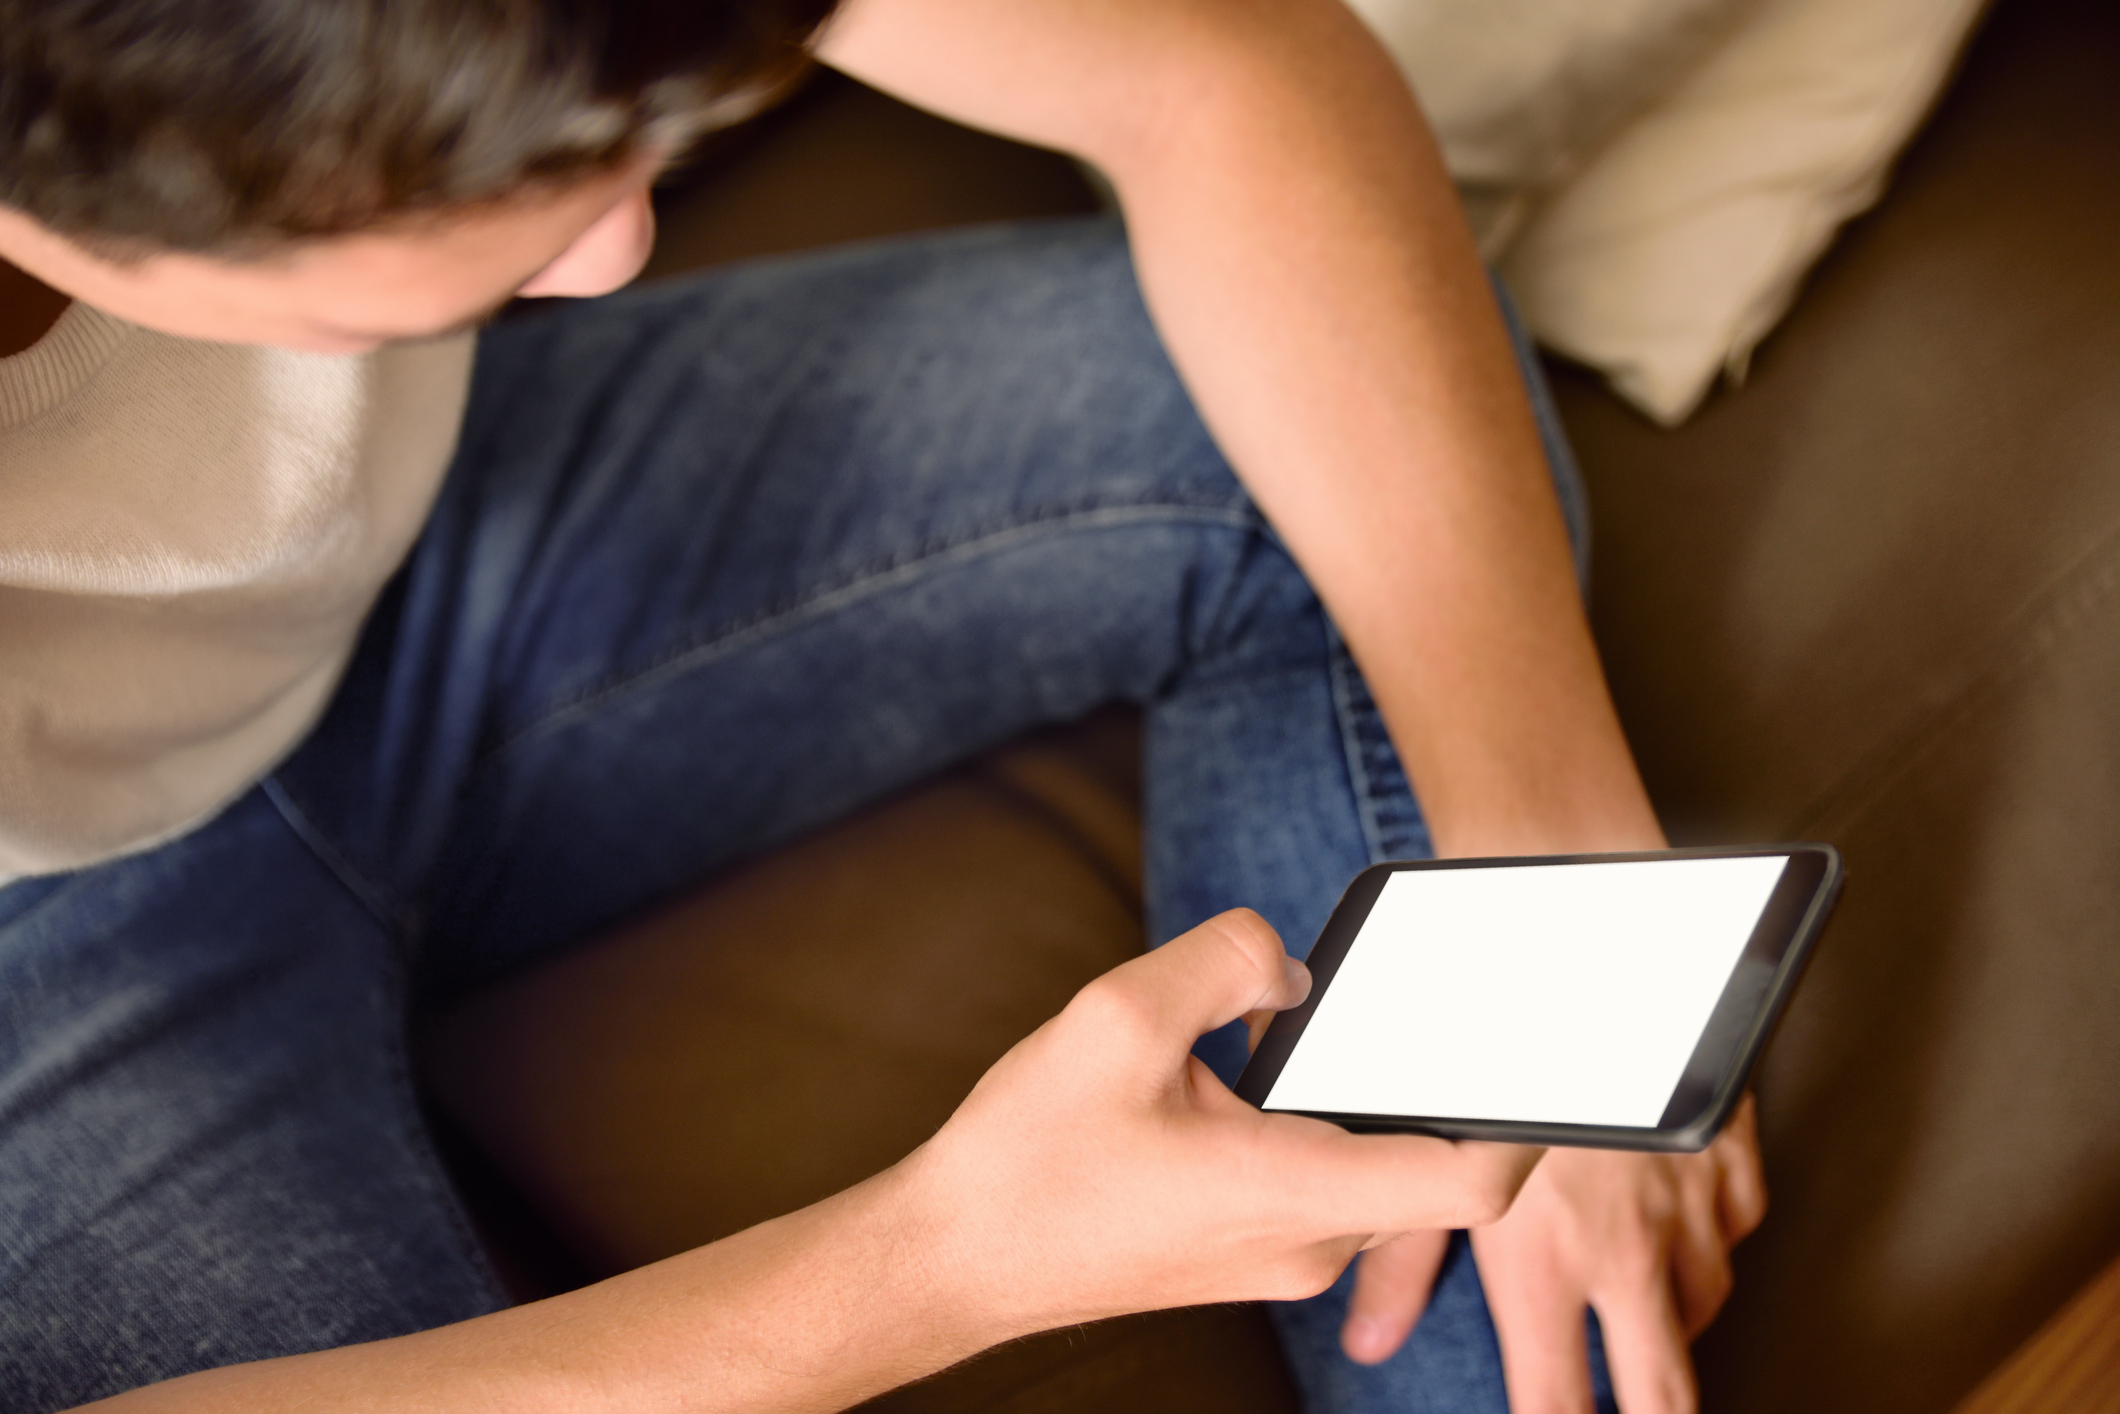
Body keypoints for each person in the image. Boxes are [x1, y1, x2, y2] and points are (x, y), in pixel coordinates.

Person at [0, 0, 1767, 1410]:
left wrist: (1545, 873)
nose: (619, 239)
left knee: (1329, 410)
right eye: (436, 182)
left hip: (436, 569)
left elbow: (1217, 72)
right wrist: (948, 1259)